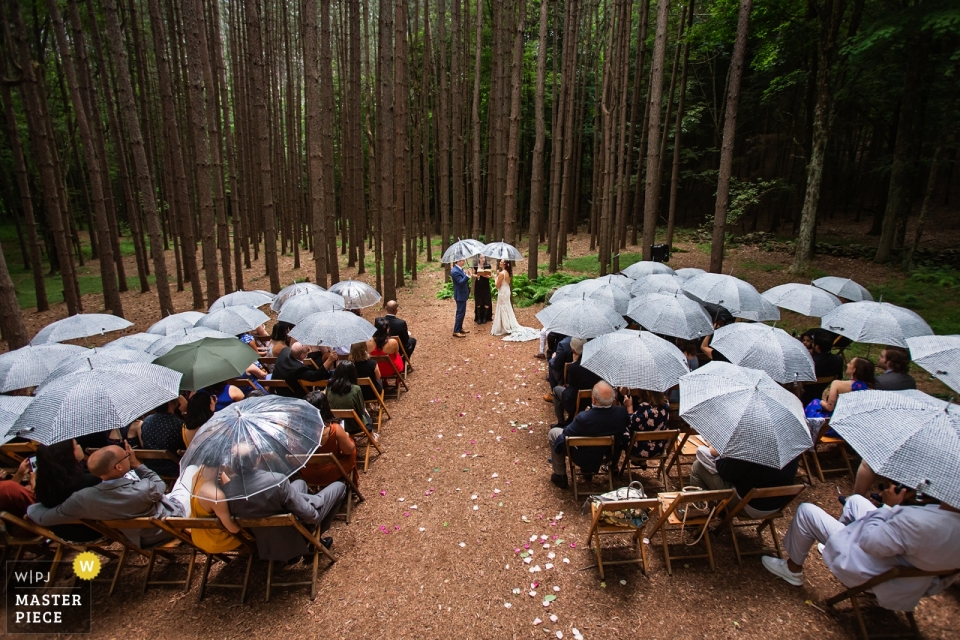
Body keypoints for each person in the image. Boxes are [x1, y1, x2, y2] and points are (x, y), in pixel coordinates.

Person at [762, 487, 960, 612]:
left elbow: (870, 542)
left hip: (874, 566)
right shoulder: (948, 519)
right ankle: (828, 545)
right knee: (855, 501)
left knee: (806, 511)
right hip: (913, 573)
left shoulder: (918, 522)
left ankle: (792, 569)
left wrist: (888, 507)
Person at [27, 442, 190, 547]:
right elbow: (158, 486)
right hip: (162, 523)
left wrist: (31, 508)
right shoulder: (91, 488)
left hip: (129, 535)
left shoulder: (73, 495)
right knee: (190, 474)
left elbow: (41, 516)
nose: (79, 445)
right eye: (76, 444)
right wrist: (136, 464)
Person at [223, 445, 346, 563]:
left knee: (299, 483)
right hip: (295, 534)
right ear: (257, 459)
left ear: (232, 465)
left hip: (265, 541)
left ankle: (306, 515)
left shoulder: (226, 491)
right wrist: (313, 502)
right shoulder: (276, 481)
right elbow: (311, 516)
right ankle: (313, 543)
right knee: (339, 487)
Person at [547, 382, 629, 489]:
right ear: (613, 399)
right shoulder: (621, 413)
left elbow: (567, 433)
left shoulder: (584, 418)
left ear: (593, 400)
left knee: (553, 433)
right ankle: (610, 468)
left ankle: (560, 475)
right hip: (608, 455)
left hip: (583, 455)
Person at [689, 447, 802, 518]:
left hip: (750, 506)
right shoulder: (792, 445)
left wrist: (722, 454)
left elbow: (726, 474)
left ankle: (699, 514)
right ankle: (721, 511)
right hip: (776, 505)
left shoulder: (751, 446)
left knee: (697, 467)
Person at [32, 440, 101, 542]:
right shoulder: (89, 481)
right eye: (77, 444)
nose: (80, 445)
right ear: (68, 454)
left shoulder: (43, 483)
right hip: (94, 532)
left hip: (63, 533)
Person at [187, 453, 241, 554]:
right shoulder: (216, 496)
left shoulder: (199, 472)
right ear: (221, 466)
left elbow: (229, 486)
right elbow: (233, 529)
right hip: (216, 541)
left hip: (197, 535)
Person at [303, 390, 359, 487]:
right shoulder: (333, 429)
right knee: (352, 447)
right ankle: (353, 485)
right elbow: (349, 450)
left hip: (308, 475)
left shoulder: (300, 432)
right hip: (330, 473)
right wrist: (347, 436)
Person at [550, 338, 601, 427]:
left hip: (578, 400)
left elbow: (570, 385)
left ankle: (561, 422)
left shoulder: (574, 368)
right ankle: (569, 419)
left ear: (573, 350)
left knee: (556, 390)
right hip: (596, 398)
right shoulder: (596, 362)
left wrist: (574, 362)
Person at [804, 357, 875, 419]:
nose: (847, 364)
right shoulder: (870, 389)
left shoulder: (837, 384)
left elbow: (829, 408)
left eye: (850, 363)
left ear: (854, 370)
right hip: (852, 421)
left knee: (815, 402)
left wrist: (821, 402)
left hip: (832, 422)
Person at [138, 399, 186, 476]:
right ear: (170, 403)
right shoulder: (179, 424)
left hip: (150, 467)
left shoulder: (147, 420)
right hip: (173, 468)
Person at [325, 361, 373, 436]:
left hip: (337, 425)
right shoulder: (356, 389)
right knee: (367, 417)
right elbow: (361, 411)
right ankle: (372, 435)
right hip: (355, 426)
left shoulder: (329, 387)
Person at [622, 389, 671, 460]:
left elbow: (631, 425)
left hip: (640, 450)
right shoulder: (666, 405)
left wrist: (629, 407)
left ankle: (613, 464)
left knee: (620, 431)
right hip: (658, 448)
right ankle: (641, 461)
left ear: (647, 392)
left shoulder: (644, 407)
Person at [0, 460, 35, 536]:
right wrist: (34, 485)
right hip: (27, 526)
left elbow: (9, 494)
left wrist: (20, 474)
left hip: (25, 518)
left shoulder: (6, 487)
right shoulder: (7, 487)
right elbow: (42, 507)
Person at [491, 260, 521, 337]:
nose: (500, 263)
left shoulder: (502, 273)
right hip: (506, 290)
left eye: (501, 262)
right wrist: (498, 275)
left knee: (502, 307)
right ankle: (507, 324)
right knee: (506, 306)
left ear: (504, 264)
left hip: (502, 292)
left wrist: (495, 277)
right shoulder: (507, 272)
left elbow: (497, 286)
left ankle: (505, 326)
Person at [545, 335, 574, 401]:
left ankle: (554, 393)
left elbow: (556, 365)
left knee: (551, 362)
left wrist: (554, 357)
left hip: (567, 374)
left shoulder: (564, 344)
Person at [451, 258, 472, 338]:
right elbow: (460, 282)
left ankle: (460, 328)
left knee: (462, 312)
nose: (464, 262)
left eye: (463, 260)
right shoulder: (455, 271)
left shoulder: (460, 269)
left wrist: (467, 274)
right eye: (462, 260)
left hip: (463, 294)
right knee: (460, 313)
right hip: (460, 295)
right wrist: (467, 276)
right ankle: (456, 331)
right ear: (458, 261)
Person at [473, 257, 493, 325]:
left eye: (484, 258)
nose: (483, 259)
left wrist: (488, 276)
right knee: (479, 301)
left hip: (485, 285)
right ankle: (479, 318)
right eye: (481, 258)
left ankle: (485, 318)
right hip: (478, 286)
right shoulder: (475, 265)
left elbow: (491, 275)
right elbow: (472, 274)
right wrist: (477, 276)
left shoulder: (488, 265)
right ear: (479, 258)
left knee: (486, 301)